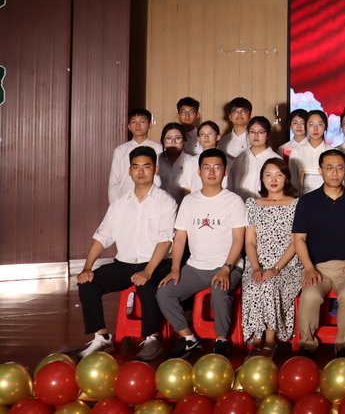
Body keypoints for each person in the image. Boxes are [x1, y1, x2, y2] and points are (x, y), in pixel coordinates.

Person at [77, 146, 177, 360]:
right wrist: (87, 268)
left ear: (155, 170)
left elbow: (165, 241)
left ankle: (152, 339)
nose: (141, 171)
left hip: (157, 263)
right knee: (88, 283)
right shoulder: (119, 204)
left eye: (146, 166)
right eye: (135, 167)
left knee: (146, 283)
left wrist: (148, 271)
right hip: (125, 264)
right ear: (130, 171)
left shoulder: (166, 202)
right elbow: (102, 237)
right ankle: (102, 338)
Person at [157, 148, 247, 359]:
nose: (211, 172)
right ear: (199, 172)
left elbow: (238, 240)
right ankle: (189, 339)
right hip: (195, 266)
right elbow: (180, 238)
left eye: (217, 167)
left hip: (228, 265)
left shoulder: (234, 201)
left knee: (219, 289)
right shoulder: (189, 201)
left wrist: (226, 268)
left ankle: (221, 340)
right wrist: (175, 269)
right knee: (164, 292)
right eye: (206, 167)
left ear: (225, 171)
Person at [292, 149, 345, 359]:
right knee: (310, 295)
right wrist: (309, 268)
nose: (334, 173)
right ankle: (307, 345)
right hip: (316, 267)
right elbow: (299, 239)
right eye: (329, 168)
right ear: (320, 171)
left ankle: (344, 345)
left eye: (339, 168)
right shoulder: (307, 202)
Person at [242, 158, 303, 356]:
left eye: (279, 175)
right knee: (254, 285)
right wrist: (255, 268)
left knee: (268, 285)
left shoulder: (297, 204)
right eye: (268, 175)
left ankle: (270, 341)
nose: (273, 180)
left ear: (287, 178)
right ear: (262, 179)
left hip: (287, 265)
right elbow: (250, 242)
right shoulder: (253, 204)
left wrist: (276, 268)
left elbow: (296, 243)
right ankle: (256, 341)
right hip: (257, 263)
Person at [108, 108, 163, 204]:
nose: (137, 125)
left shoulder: (159, 149)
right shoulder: (120, 151)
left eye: (142, 121)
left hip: (152, 201)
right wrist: (115, 205)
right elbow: (114, 182)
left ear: (150, 125)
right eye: (134, 122)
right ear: (129, 126)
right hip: (125, 201)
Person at [229, 116, 279, 199]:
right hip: (241, 204)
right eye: (252, 132)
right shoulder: (240, 159)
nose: (256, 135)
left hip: (265, 205)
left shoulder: (275, 159)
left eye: (261, 132)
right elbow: (231, 186)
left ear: (268, 135)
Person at [180, 121, 228, 195]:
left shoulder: (228, 162)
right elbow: (186, 189)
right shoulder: (190, 162)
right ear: (198, 138)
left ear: (218, 137)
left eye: (210, 133)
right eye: (202, 134)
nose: (206, 137)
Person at [289, 110, 331, 194]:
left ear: (325, 127)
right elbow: (293, 181)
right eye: (311, 124)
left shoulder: (333, 152)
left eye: (319, 124)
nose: (315, 129)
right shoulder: (296, 152)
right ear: (306, 127)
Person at [158, 122, 193, 203]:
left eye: (177, 138)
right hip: (159, 206)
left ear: (184, 141)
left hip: (183, 206)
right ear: (163, 141)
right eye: (169, 138)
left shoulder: (191, 162)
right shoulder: (155, 160)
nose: (173, 142)